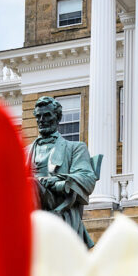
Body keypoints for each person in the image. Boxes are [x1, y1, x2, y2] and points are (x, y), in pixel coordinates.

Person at [28, 96, 99, 248]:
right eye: (38, 116)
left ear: (57, 117)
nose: (42, 120)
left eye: (47, 115)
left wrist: (59, 180)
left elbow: (87, 178)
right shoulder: (24, 152)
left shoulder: (75, 148)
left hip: (58, 202)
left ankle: (28, 237)